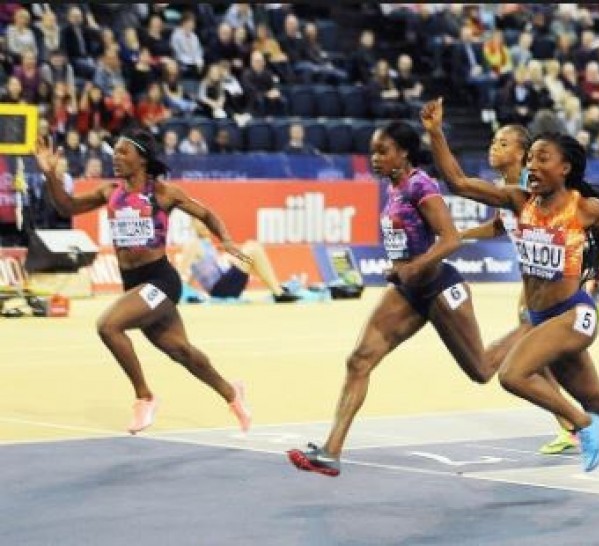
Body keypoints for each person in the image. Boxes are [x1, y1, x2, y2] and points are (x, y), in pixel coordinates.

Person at [422, 98, 599, 515]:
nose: (534, 165)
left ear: (565, 169)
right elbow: (458, 182)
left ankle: (579, 425)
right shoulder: (518, 201)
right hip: (543, 318)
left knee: (511, 374)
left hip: (575, 314)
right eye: (532, 158)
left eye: (543, 158)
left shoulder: (584, 208)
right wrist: (435, 132)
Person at [287, 121, 504, 476]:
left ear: (402, 153)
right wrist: (399, 270)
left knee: (481, 370)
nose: (375, 158)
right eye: (372, 151)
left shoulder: (422, 185)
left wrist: (412, 267)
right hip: (407, 292)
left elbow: (449, 240)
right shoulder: (394, 188)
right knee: (359, 360)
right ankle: (330, 451)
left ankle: (528, 330)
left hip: (439, 289)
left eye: (382, 151)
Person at [34, 131, 251, 435]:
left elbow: (206, 214)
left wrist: (225, 239)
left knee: (108, 326)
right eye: (114, 152)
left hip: (160, 280)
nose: (116, 157)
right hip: (135, 284)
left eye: (123, 152)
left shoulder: (164, 194)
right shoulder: (109, 192)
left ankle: (144, 397)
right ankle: (232, 393)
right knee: (182, 352)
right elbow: (66, 207)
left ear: (143, 158)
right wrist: (50, 175)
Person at [454, 123, 580, 455]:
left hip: (553, 291)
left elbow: (573, 223)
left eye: (503, 143)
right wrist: (462, 235)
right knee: (543, 361)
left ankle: (578, 423)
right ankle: (571, 424)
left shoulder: (532, 190)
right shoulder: (507, 190)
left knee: (524, 360)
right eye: (493, 141)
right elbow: (501, 225)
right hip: (530, 288)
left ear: (522, 154)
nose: (493, 147)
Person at [175, 218, 300, 303]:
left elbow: (195, 272)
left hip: (224, 285)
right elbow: (179, 272)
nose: (204, 224)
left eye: (206, 221)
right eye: (199, 221)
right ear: (192, 225)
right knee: (252, 247)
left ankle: (277, 289)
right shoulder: (192, 244)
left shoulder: (207, 244)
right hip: (220, 290)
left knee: (252, 251)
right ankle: (278, 291)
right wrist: (185, 295)